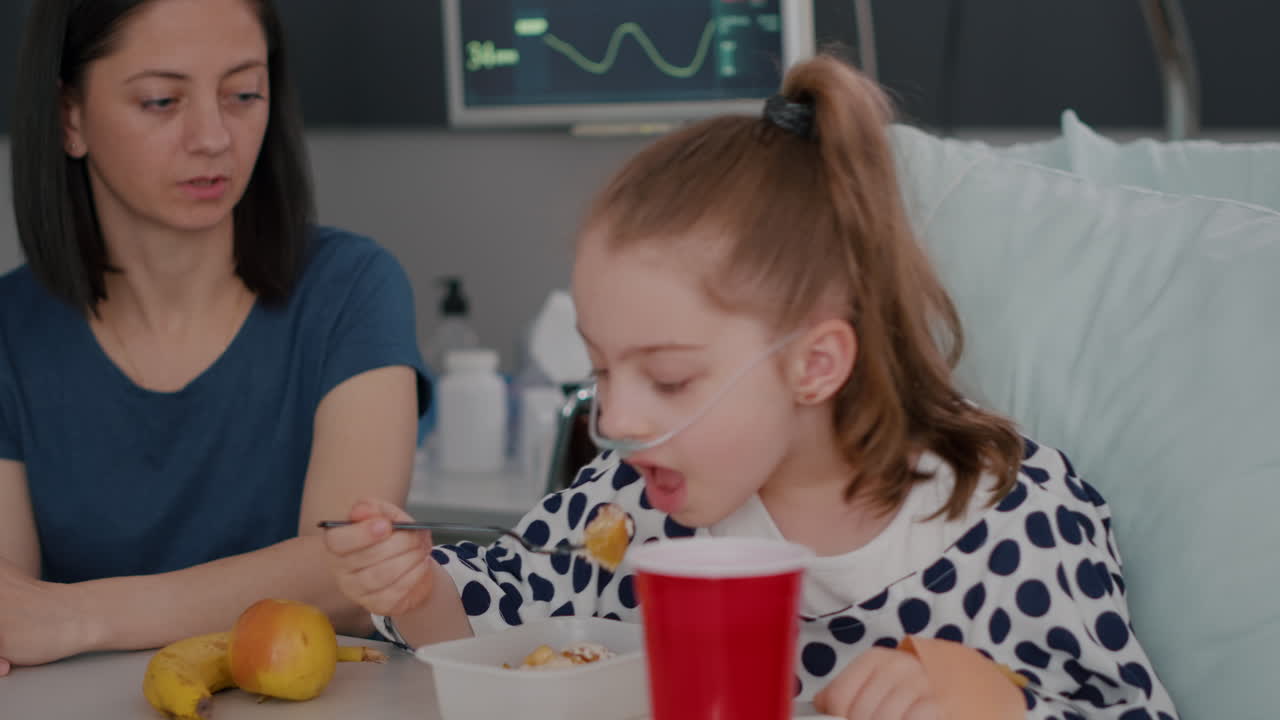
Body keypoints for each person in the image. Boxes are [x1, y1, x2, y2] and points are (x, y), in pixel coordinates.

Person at [324, 55, 1179, 719]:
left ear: (815, 364)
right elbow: (503, 623)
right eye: (600, 370)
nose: (618, 419)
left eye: (667, 377)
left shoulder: (1010, 520)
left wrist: (976, 692)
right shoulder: (630, 512)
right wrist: (417, 589)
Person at [0, 0, 426, 675]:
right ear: (68, 116)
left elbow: (345, 572)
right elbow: (9, 615)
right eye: (162, 101)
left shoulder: (352, 287)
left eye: (244, 94)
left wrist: (76, 615)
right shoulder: (10, 333)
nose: (213, 137)